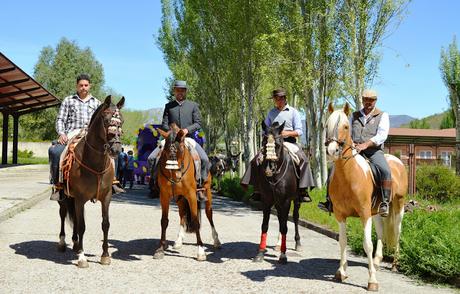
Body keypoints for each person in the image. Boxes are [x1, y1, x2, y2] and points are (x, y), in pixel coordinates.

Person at [318, 89, 392, 217]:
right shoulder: (354, 115)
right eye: (366, 100)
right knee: (333, 169)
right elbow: (348, 133)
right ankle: (329, 202)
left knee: (385, 170)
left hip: (374, 151)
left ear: (375, 101)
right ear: (362, 100)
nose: (368, 102)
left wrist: (366, 144)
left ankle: (384, 202)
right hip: (355, 150)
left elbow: (382, 135)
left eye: (371, 100)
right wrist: (352, 145)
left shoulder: (382, 115)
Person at [48, 74, 123, 201]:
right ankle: (58, 186)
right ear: (77, 86)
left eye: (86, 85)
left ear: (90, 86)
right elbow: (60, 119)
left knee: (112, 153)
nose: (83, 88)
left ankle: (113, 182)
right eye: (81, 85)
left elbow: (103, 122)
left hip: (91, 134)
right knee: (56, 152)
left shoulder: (97, 103)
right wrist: (62, 133)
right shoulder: (68, 100)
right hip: (73, 132)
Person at [240, 88, 315, 203]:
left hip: (289, 142)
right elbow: (265, 128)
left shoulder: (293, 112)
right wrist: (266, 135)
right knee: (256, 160)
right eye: (276, 99)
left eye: (280, 98)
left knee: (303, 159)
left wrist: (287, 133)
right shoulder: (271, 112)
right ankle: (257, 189)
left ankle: (303, 190)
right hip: (272, 143)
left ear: (285, 99)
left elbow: (299, 131)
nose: (278, 101)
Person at [147, 80, 210, 200]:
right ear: (174, 91)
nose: (180, 92)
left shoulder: (193, 105)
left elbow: (198, 123)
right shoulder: (169, 106)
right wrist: (172, 131)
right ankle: (154, 185)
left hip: (187, 139)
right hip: (171, 138)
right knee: (151, 158)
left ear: (186, 91)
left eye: (182, 90)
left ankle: (200, 187)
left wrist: (186, 130)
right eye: (177, 90)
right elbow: (164, 123)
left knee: (204, 159)